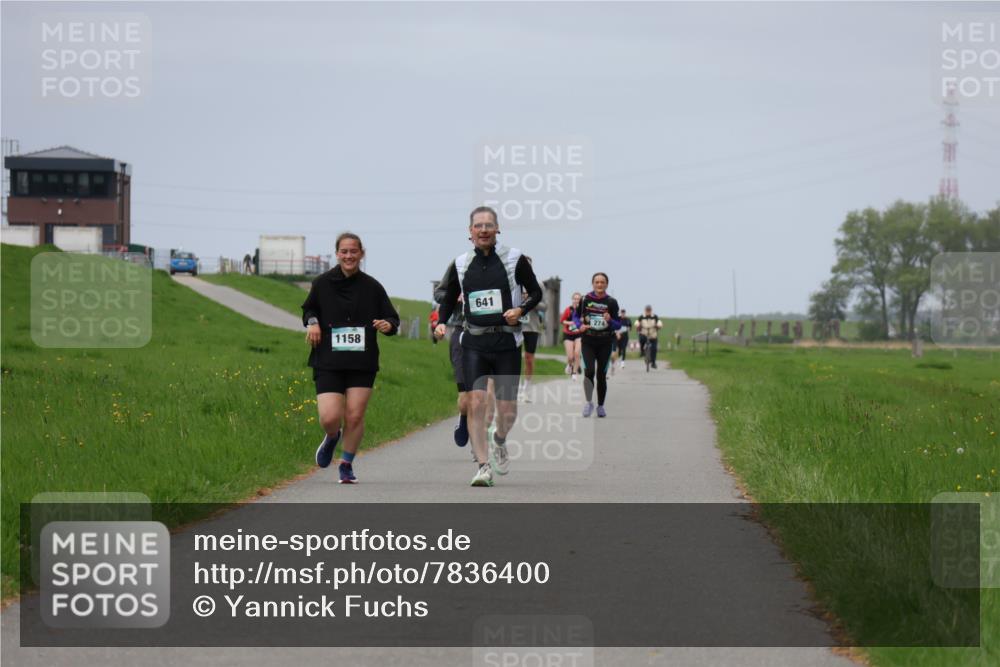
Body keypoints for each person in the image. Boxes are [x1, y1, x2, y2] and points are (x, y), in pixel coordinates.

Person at [434, 206, 542, 487]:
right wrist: (441, 321)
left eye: (488, 225)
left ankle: (500, 439)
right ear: (470, 232)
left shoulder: (514, 259)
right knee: (476, 402)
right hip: (474, 342)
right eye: (478, 226)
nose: (483, 230)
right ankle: (483, 466)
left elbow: (537, 292)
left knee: (507, 410)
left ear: (497, 230)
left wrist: (520, 311)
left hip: (506, 342)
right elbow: (448, 297)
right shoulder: (460, 263)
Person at [303, 232, 399, 484]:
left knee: (355, 416)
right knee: (330, 417)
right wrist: (313, 323)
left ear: (361, 254)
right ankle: (332, 436)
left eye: (353, 251)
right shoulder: (322, 283)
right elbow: (309, 309)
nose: (348, 256)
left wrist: (387, 325)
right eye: (344, 252)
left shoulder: (372, 286)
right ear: (337, 254)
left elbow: (392, 318)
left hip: (361, 362)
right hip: (329, 360)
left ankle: (346, 463)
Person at [433, 270, 475, 459]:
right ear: (471, 238)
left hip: (491, 334)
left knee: (484, 394)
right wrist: (455, 297)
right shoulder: (459, 265)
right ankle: (464, 416)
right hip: (461, 331)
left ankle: (479, 443)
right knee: (465, 396)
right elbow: (439, 293)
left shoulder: (500, 266)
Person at [574, 273, 621, 417]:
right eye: (597, 282)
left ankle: (600, 406)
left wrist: (610, 320)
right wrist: (579, 325)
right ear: (592, 284)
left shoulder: (612, 302)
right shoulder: (585, 299)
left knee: (601, 374)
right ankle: (589, 403)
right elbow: (575, 316)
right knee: (589, 372)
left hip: (605, 342)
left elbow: (618, 325)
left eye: (602, 282)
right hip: (588, 340)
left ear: (606, 284)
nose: (599, 284)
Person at [518, 257, 546, 401]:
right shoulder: (513, 283)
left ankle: (526, 388)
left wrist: (531, 300)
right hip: (514, 326)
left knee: (529, 358)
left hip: (531, 326)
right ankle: (515, 388)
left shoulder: (538, 285)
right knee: (513, 358)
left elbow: (544, 306)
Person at [560, 292, 583, 380]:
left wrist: (582, 321)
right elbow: (562, 321)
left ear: (580, 301)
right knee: (570, 357)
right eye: (575, 299)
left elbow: (586, 322)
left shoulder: (582, 311)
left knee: (577, 353)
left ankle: (574, 372)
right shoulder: (568, 310)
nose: (576, 300)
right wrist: (569, 322)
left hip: (578, 335)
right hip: (568, 334)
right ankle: (570, 364)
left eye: (578, 299)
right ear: (572, 300)